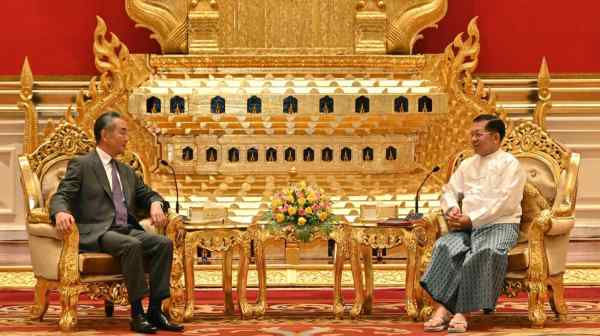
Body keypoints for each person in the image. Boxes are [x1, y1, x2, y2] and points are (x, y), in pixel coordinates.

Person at [50, 111, 184, 334]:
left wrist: (156, 204)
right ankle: (137, 314)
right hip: (98, 231)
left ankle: (155, 310)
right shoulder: (83, 165)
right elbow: (61, 195)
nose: (127, 137)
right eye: (123, 132)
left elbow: (150, 195)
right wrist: (60, 213)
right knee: (132, 246)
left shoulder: (126, 171)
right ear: (105, 135)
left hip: (126, 228)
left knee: (163, 244)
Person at [420, 114, 526, 333]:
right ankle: (442, 308)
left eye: (479, 134)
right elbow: (449, 191)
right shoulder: (467, 164)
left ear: (496, 137)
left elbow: (506, 203)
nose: (473, 139)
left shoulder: (510, 164)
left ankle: (460, 311)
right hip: (465, 226)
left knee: (483, 252)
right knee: (445, 246)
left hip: (500, 225)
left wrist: (473, 219)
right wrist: (452, 210)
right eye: (472, 135)